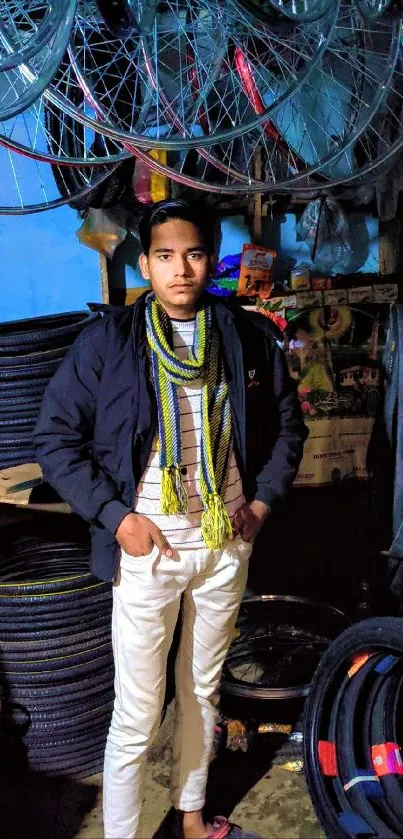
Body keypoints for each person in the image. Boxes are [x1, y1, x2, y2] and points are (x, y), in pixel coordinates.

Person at [34, 199, 308, 839]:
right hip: (148, 549)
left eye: (192, 253)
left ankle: (189, 814)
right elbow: (54, 439)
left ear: (210, 258)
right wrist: (115, 517)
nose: (179, 270)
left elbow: (289, 430)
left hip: (223, 545)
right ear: (146, 263)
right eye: (163, 256)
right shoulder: (110, 341)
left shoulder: (244, 336)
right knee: (135, 712)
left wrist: (262, 501)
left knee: (201, 693)